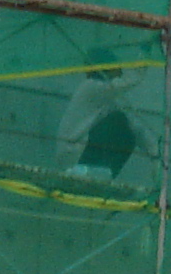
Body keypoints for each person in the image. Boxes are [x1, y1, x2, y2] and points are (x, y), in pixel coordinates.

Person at [56, 51, 140, 179]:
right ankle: (90, 170)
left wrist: (156, 156)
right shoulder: (91, 87)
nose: (121, 72)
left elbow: (136, 127)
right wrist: (144, 55)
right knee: (118, 120)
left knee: (128, 131)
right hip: (73, 154)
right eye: (117, 68)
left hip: (78, 151)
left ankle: (104, 173)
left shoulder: (106, 96)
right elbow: (130, 81)